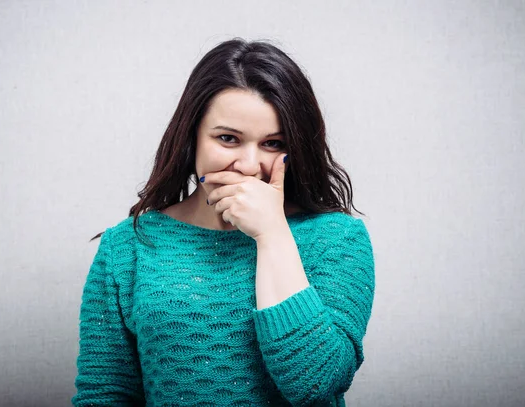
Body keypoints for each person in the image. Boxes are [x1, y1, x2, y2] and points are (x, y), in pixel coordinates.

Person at [72, 38, 375, 407]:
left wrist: (273, 235)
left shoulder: (337, 240)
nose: (248, 166)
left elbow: (317, 383)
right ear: (192, 137)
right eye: (228, 139)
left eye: (273, 144)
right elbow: (105, 395)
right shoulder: (128, 247)